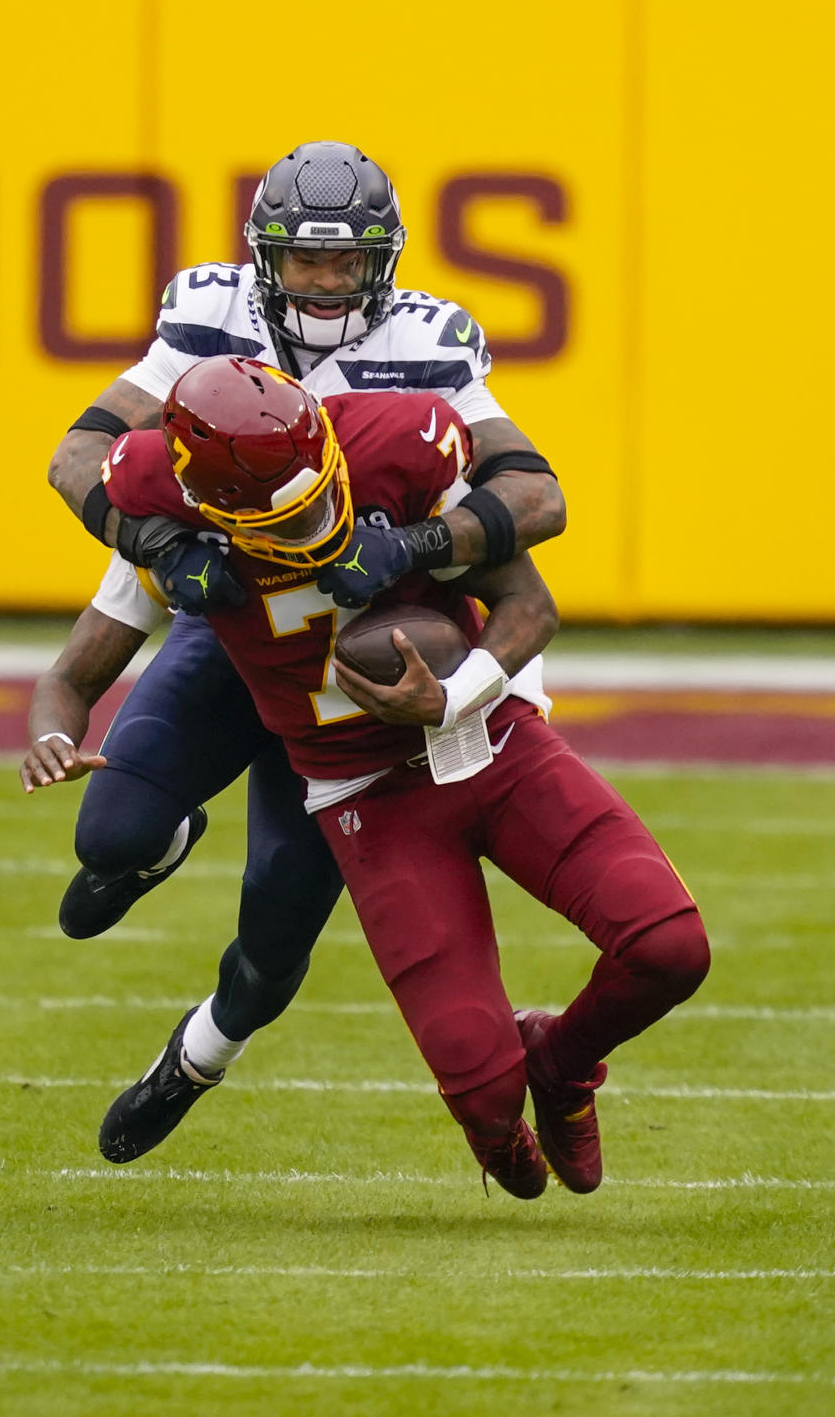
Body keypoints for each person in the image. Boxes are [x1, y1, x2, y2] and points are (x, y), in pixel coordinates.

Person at [84, 356, 709, 1199]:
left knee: (672, 947)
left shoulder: (393, 445)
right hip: (364, 801)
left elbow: (533, 593)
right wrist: (150, 545)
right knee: (492, 1118)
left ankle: (561, 1061)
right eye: (289, 517)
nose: (318, 529)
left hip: (489, 745)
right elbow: (83, 474)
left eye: (323, 499)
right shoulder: (161, 496)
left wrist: (450, 686)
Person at [44, 140, 565, 959]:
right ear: (263, 258)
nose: (324, 281)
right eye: (303, 258)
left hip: (351, 625)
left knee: (279, 914)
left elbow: (537, 497)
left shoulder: (428, 340)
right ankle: (159, 842)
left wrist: (411, 547)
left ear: (382, 264)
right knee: (113, 835)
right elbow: (79, 457)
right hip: (232, 602)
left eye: (345, 262)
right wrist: (159, 544)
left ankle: (215, 1038)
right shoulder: (211, 316)